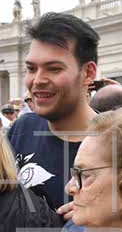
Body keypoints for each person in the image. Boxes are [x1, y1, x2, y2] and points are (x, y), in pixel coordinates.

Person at [7, 12, 99, 216]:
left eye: (54, 69)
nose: (37, 80)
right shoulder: (23, 127)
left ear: (88, 73)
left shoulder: (121, 143)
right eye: (31, 69)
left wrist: (107, 216)